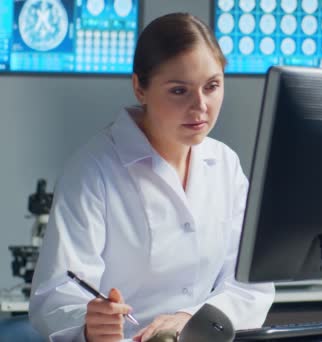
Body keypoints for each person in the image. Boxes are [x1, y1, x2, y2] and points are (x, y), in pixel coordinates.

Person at [29, 13, 274, 342]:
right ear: (139, 88)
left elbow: (249, 284)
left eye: (212, 86)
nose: (200, 106)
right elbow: (55, 297)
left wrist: (191, 318)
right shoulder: (93, 169)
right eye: (178, 90)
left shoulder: (225, 164)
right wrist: (88, 326)